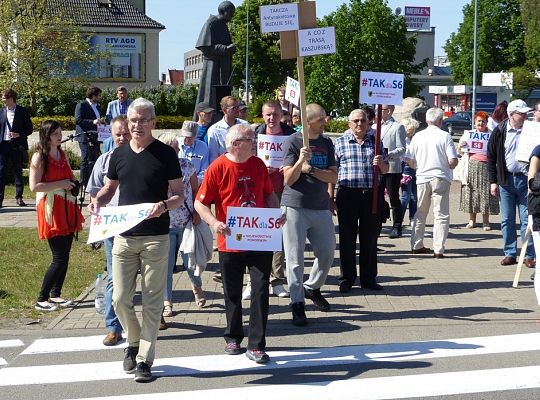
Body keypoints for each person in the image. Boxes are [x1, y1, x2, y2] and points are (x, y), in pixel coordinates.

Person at [88, 98, 184, 382]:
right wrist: (98, 201)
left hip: (155, 237)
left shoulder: (166, 154)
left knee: (153, 302)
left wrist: (164, 205)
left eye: (143, 120)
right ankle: (133, 340)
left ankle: (144, 359)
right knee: (118, 297)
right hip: (123, 237)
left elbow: (179, 195)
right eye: (133, 120)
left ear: (153, 122)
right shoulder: (118, 155)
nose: (137, 125)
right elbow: (109, 188)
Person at [195, 124, 279, 364]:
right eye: (250, 139)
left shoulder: (258, 164)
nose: (255, 142)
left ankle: (256, 345)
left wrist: (276, 213)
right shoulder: (217, 167)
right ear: (235, 144)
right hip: (229, 241)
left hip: (259, 238)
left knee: (261, 290)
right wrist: (213, 222)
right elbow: (201, 203)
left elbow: (269, 194)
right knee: (232, 293)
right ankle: (233, 337)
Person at [281, 103, 337, 326]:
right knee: (294, 259)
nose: (326, 122)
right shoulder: (293, 142)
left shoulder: (326, 143)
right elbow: (289, 179)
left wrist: (312, 170)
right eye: (321, 119)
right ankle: (297, 303)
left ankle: (312, 287)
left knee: (327, 253)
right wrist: (300, 162)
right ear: (309, 121)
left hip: (320, 206)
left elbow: (333, 178)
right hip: (295, 206)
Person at [331, 109, 389, 294]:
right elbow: (333, 173)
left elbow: (386, 169)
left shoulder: (376, 142)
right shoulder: (339, 143)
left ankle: (368, 278)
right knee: (347, 238)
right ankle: (347, 278)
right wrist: (330, 197)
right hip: (347, 194)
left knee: (370, 238)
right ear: (349, 123)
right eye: (355, 121)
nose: (359, 124)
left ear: (368, 123)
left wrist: (381, 163)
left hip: (371, 195)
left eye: (363, 120)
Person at [242, 101, 295, 300]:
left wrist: (289, 166)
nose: (271, 118)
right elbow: (244, 158)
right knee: (254, 234)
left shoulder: (291, 135)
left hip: (283, 189)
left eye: (274, 114)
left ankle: (277, 280)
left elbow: (299, 159)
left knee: (278, 236)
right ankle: (251, 282)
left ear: (281, 114)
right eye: (267, 115)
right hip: (258, 191)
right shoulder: (254, 134)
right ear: (263, 115)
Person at [30, 120, 85, 311]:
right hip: (51, 207)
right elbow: (34, 186)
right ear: (46, 136)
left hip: (67, 204)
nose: (60, 136)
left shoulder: (62, 154)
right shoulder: (39, 157)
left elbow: (68, 177)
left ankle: (56, 294)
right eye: (55, 134)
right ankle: (41, 298)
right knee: (59, 256)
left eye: (60, 133)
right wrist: (61, 183)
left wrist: (72, 183)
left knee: (66, 254)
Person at [86, 116, 131, 346]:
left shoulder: (143, 159)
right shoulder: (104, 161)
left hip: (140, 227)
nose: (122, 138)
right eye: (118, 134)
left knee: (146, 278)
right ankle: (113, 327)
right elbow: (94, 191)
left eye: (126, 133)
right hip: (113, 227)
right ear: (112, 136)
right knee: (115, 277)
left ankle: (155, 318)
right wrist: (94, 204)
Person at [157, 131, 206, 317]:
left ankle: (198, 288)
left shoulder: (187, 165)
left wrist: (196, 211)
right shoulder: (156, 168)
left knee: (191, 262)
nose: (179, 150)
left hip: (185, 222)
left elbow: (196, 189)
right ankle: (167, 302)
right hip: (164, 225)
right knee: (166, 267)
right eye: (175, 147)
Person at [487, 99, 535, 268]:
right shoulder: (500, 131)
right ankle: (510, 253)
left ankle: (529, 255)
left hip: (526, 180)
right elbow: (491, 157)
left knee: (526, 219)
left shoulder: (531, 131)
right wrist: (493, 182)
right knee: (507, 219)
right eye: (520, 114)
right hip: (505, 180)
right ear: (510, 115)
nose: (524, 116)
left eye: (525, 113)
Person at [407, 107, 458, 258]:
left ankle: (416, 244)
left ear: (426, 120)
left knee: (420, 212)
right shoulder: (445, 136)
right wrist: (450, 165)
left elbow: (409, 158)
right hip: (440, 177)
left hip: (422, 177)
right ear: (441, 120)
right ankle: (438, 249)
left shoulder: (417, 136)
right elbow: (453, 160)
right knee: (441, 214)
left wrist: (417, 166)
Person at [457, 111, 499, 231]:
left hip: (487, 167)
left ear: (487, 123)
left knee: (485, 194)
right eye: (479, 121)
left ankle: (486, 221)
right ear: (475, 123)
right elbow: (459, 151)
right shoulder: (468, 135)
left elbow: (496, 151)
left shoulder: (491, 135)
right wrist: (461, 146)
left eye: (483, 121)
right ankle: (472, 220)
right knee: (472, 193)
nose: (481, 123)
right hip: (472, 166)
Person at [195, 1, 236, 110]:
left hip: (223, 66)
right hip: (212, 66)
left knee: (223, 95)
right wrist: (225, 48)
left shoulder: (224, 26)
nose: (232, 16)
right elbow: (205, 47)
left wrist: (231, 49)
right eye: (231, 13)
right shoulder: (211, 23)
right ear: (223, 11)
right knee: (210, 95)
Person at [375, 105, 406, 238]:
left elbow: (402, 148)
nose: (379, 111)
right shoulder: (374, 126)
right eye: (377, 109)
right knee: (377, 197)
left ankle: (397, 226)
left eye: (381, 109)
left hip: (392, 168)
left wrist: (387, 155)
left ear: (389, 110)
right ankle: (378, 225)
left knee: (393, 197)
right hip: (377, 168)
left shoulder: (397, 127)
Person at [0, 89, 33, 207]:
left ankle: (19, 197)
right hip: (3, 145)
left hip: (16, 146)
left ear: (11, 98)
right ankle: (0, 199)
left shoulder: (22, 111)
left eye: (4, 97)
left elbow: (29, 129)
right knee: (1, 172)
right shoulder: (1, 111)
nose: (2, 100)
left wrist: (18, 134)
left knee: (18, 172)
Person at [74, 86, 103, 187]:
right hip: (84, 136)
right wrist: (93, 121)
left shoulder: (97, 106)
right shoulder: (81, 105)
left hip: (95, 137)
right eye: (98, 96)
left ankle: (93, 182)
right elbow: (78, 120)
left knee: (95, 159)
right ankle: (84, 182)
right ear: (93, 96)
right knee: (85, 159)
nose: (100, 98)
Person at [207, 96, 247, 163]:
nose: (237, 110)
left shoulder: (245, 125)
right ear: (225, 110)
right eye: (234, 108)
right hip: (225, 166)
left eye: (238, 107)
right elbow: (213, 157)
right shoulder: (214, 130)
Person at [400, 117, 420, 224]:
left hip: (412, 166)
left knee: (413, 195)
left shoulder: (410, 139)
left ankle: (412, 217)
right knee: (406, 195)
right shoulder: (403, 139)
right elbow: (406, 156)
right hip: (407, 167)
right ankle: (400, 218)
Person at [103, 86, 132, 152]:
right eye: (120, 93)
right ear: (117, 95)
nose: (122, 95)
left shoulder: (132, 103)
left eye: (124, 93)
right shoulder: (111, 104)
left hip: (128, 130)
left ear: (126, 94)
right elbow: (108, 117)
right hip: (117, 130)